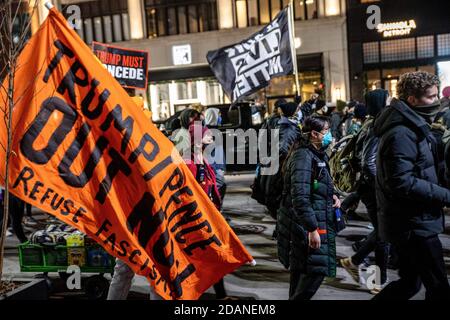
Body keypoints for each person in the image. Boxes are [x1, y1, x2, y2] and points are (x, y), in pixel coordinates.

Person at [373, 71, 450, 300]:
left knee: (410, 283)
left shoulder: (413, 124)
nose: (436, 101)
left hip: (413, 221)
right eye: (431, 97)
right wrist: (445, 195)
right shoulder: (401, 132)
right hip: (413, 224)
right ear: (412, 99)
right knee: (439, 289)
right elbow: (401, 181)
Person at [277, 116, 341, 300]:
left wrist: (332, 195)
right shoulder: (303, 156)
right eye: (326, 131)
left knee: (301, 273)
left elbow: (314, 184)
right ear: (314, 134)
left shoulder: (314, 153)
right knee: (313, 274)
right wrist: (312, 229)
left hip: (310, 220)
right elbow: (300, 197)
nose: (329, 135)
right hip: (307, 225)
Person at [340, 89, 390, 294]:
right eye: (387, 99)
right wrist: (383, 183)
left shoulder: (373, 123)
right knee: (383, 234)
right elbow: (368, 161)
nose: (390, 101)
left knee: (382, 235)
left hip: (369, 187)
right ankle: (361, 265)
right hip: (372, 188)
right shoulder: (374, 126)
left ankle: (374, 278)